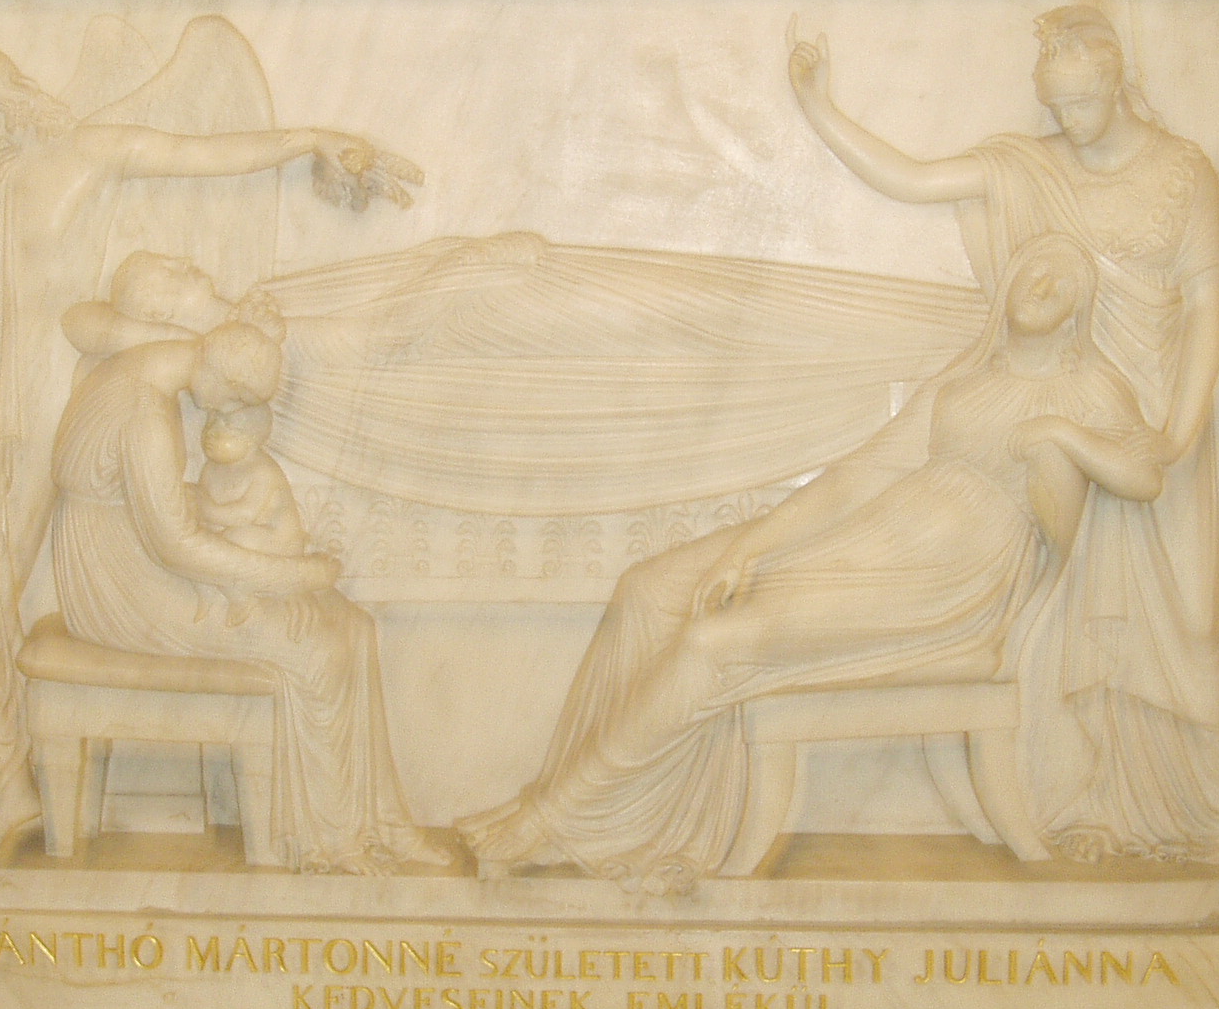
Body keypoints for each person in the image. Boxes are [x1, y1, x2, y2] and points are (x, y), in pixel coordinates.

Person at [0, 43, 421, 864]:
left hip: (29, 407)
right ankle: (0, 789)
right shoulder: (26, 175)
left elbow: (199, 156)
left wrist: (312, 140)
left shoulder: (78, 156)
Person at [459, 236, 1164, 894]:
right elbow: (857, 479)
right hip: (872, 541)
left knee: (711, 643)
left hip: (950, 584)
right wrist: (749, 549)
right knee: (649, 589)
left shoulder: (1092, 390)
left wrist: (1062, 432)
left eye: (1064, 278)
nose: (1042, 281)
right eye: (1034, 265)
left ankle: (555, 820)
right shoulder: (959, 389)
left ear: (1079, 311)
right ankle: (608, 813)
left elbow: (1144, 474)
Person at [786, 5, 1219, 875]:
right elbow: (912, 179)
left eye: (1082, 105)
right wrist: (819, 106)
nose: (1069, 123)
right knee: (1081, 617)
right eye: (1057, 107)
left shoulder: (1183, 172)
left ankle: (1215, 818)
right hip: (1059, 407)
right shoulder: (1030, 166)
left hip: (1158, 418)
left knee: (1189, 621)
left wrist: (1177, 435)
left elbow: (1207, 311)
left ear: (1117, 82)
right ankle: (1091, 804)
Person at [49, 253, 445, 875]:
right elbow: (174, 547)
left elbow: (164, 513)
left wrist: (279, 567)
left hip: (136, 554)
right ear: (219, 382)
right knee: (317, 648)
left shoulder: (155, 364)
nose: (227, 416)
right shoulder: (145, 414)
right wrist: (293, 576)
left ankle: (383, 821)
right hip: (118, 581)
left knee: (354, 626)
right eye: (235, 402)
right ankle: (331, 841)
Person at [191, 402, 309, 626]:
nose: (210, 435)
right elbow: (203, 503)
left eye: (225, 430)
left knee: (232, 540)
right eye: (209, 425)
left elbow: (244, 515)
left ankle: (242, 600)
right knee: (199, 546)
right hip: (236, 533)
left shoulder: (262, 471)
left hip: (278, 541)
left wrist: (206, 510)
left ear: (252, 439)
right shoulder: (210, 469)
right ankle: (207, 596)